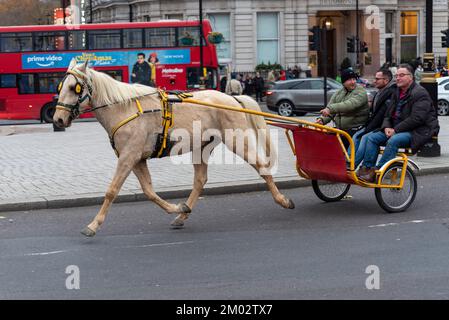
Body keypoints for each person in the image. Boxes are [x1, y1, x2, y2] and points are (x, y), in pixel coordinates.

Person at [358, 64, 440, 182]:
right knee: (371, 138)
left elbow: (417, 119)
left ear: (411, 77)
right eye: (396, 76)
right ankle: (367, 169)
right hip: (396, 129)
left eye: (401, 75)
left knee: (394, 140)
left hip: (417, 130)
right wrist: (386, 126)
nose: (398, 78)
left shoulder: (420, 93)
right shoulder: (397, 91)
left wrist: (395, 130)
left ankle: (379, 171)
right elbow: (387, 114)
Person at [352, 68, 396, 174]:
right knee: (356, 135)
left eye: (377, 79)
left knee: (365, 137)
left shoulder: (389, 92)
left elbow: (381, 116)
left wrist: (367, 129)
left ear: (385, 80)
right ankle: (350, 163)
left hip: (384, 128)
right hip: (378, 126)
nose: (374, 81)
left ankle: (357, 166)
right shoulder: (380, 92)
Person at [316, 68, 369, 148]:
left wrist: (330, 109)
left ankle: (346, 159)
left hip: (355, 130)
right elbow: (330, 110)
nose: (353, 82)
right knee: (323, 141)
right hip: (341, 130)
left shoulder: (361, 91)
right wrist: (322, 120)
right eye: (350, 80)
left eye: (354, 79)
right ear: (343, 82)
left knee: (340, 150)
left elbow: (349, 105)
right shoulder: (338, 93)